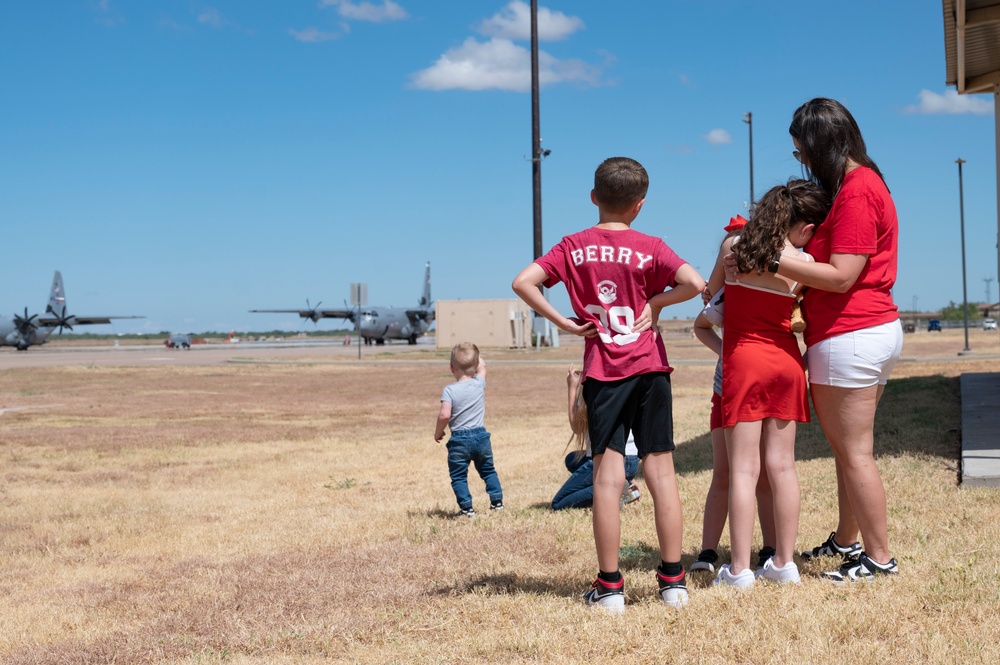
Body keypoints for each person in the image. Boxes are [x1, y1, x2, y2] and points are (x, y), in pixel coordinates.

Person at [512, 156, 704, 611]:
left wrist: (565, 322)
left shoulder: (574, 246)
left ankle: (611, 587)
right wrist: (657, 303)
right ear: (640, 205)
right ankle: (673, 582)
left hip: (604, 371)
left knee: (607, 478)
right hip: (650, 368)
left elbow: (524, 282)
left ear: (594, 197)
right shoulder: (650, 245)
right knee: (661, 473)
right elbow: (695, 283)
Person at [733, 97, 903, 583]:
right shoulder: (865, 183)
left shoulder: (855, 191)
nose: (802, 161)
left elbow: (841, 276)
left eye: (801, 151)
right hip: (868, 329)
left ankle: (878, 556)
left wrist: (764, 257)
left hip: (851, 332)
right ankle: (848, 541)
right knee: (850, 449)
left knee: (854, 452)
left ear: (822, 143)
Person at [711, 180, 831, 587]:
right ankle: (783, 562)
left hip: (744, 360)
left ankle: (740, 569)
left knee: (744, 470)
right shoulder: (805, 261)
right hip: (785, 362)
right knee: (782, 466)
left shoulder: (735, 248)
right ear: (803, 224)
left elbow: (711, 294)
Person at [690, 215, 777, 576]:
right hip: (729, 383)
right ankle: (710, 552)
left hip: (740, 381)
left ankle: (765, 550)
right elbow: (702, 322)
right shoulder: (729, 296)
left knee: (752, 474)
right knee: (732, 473)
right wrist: (727, 352)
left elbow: (702, 316)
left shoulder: (762, 284)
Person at [553, 366, 640, 511]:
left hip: (608, 458)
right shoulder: (622, 383)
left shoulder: (594, 388)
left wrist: (572, 387)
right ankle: (623, 480)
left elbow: (576, 427)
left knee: (558, 503)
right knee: (571, 460)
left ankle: (617, 488)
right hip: (631, 459)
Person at [434, 342, 504, 518]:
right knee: (488, 471)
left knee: (459, 476)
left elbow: (444, 416)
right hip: (481, 437)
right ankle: (497, 502)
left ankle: (467, 508)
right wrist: (476, 360)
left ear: (451, 367)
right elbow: (483, 368)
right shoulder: (479, 383)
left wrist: (438, 432)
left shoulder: (449, 390)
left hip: (459, 440)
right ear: (475, 366)